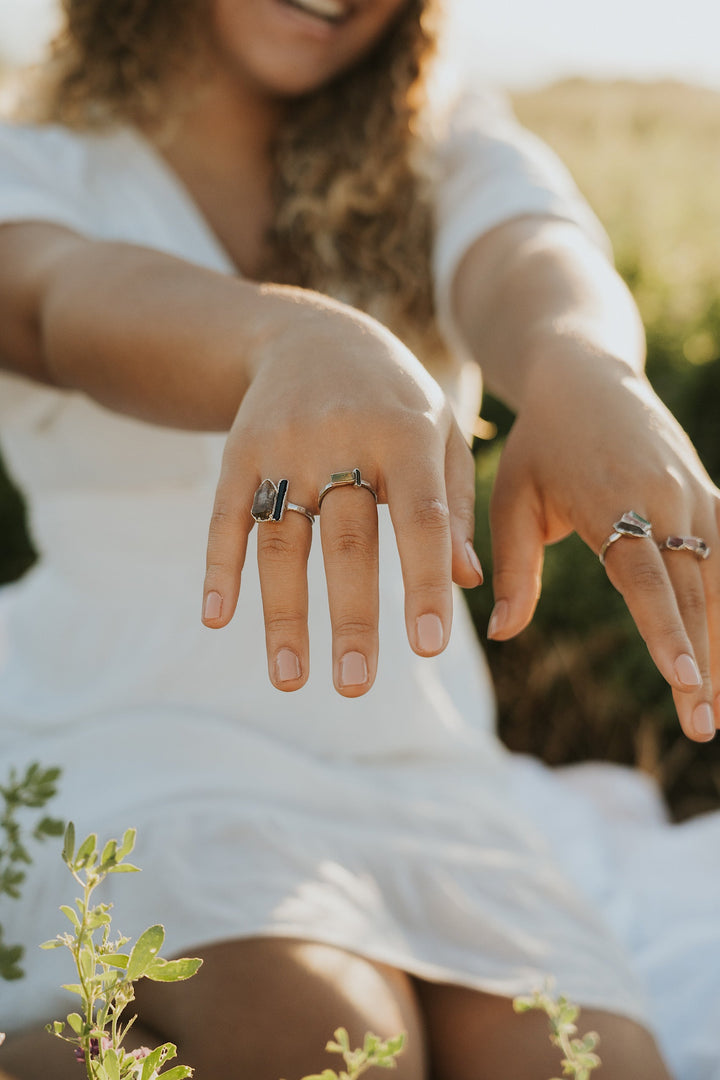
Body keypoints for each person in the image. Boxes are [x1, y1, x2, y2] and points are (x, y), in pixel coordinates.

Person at [1, 1, 719, 1078]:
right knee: (327, 1042)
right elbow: (57, 303)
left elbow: (529, 250)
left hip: (418, 760)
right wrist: (283, 335)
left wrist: (582, 365)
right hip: (137, 729)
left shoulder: (440, 143)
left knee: (587, 1065)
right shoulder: (39, 161)